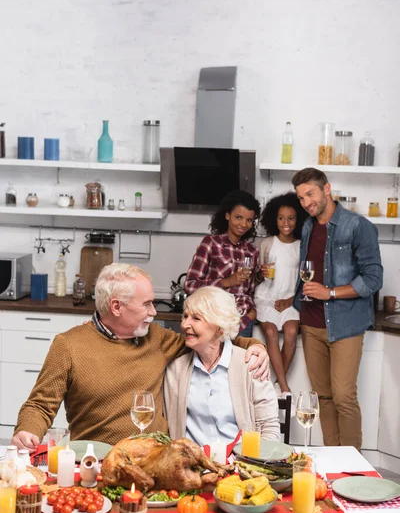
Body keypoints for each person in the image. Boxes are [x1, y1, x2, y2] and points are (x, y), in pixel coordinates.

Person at [11, 263, 269, 451]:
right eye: (146, 304)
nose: (154, 312)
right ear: (116, 307)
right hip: (98, 459)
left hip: (156, 459)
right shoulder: (68, 345)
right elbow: (40, 405)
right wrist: (27, 431)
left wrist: (254, 345)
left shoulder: (155, 338)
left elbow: (208, 338)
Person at [292, 168, 383, 450]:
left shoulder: (357, 226)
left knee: (344, 397)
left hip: (344, 324)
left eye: (310, 194)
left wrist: (329, 293)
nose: (306, 202)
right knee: (324, 397)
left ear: (327, 189)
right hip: (311, 324)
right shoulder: (308, 226)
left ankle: (354, 468)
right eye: (301, 197)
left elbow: (373, 279)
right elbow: (306, 272)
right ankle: (333, 462)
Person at [164, 286, 280, 445]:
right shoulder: (175, 370)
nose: (185, 324)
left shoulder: (250, 365)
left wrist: (254, 463)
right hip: (192, 465)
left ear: (219, 327)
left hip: (240, 464)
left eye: (196, 318)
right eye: (185, 316)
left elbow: (269, 427)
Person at [185, 190, 261, 337]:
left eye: (249, 220)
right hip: (214, 320)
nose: (244, 224)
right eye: (238, 217)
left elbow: (250, 290)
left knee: (240, 360)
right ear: (227, 216)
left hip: (243, 321)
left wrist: (252, 313)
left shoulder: (252, 251)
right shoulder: (210, 244)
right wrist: (226, 282)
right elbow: (190, 285)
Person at [255, 193, 307, 396]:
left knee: (292, 333)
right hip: (267, 297)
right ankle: (284, 388)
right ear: (274, 220)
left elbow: (305, 280)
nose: (286, 223)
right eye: (281, 218)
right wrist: (260, 273)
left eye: (291, 218)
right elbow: (257, 278)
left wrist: (290, 301)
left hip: (290, 299)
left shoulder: (302, 245)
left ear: (298, 219)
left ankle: (276, 383)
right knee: (270, 333)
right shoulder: (266, 243)